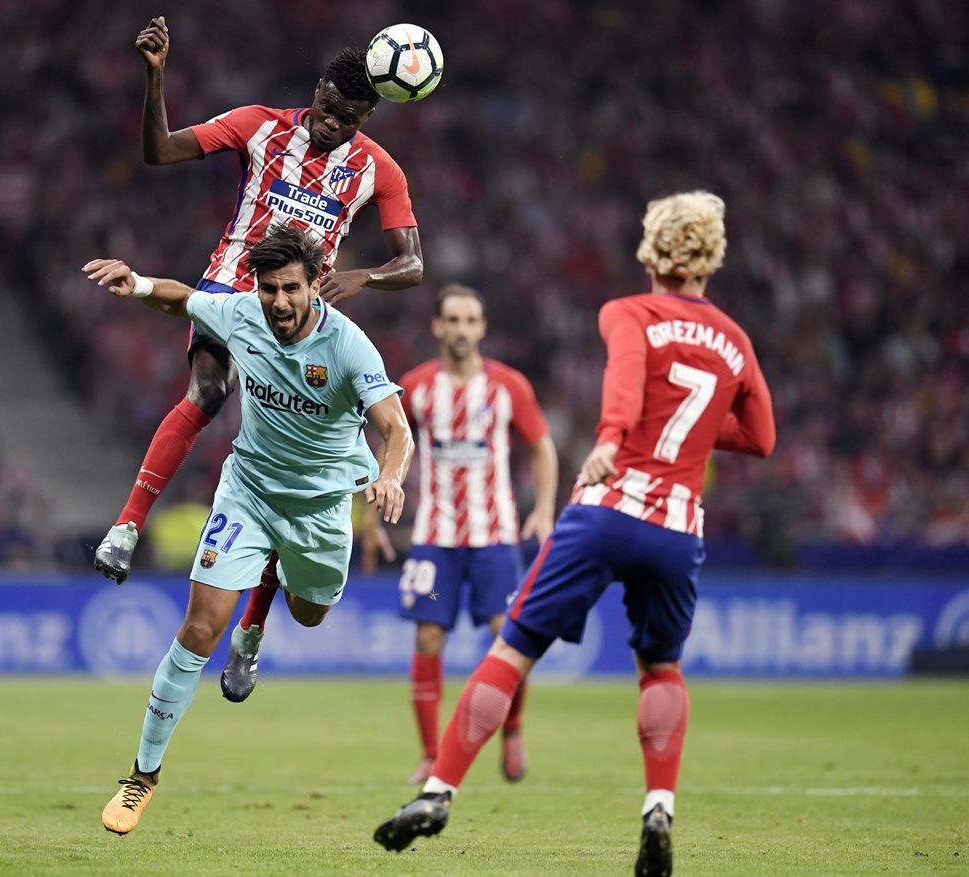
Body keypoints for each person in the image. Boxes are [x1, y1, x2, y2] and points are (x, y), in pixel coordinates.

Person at [372, 191, 776, 877]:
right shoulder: (736, 340)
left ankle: (439, 790)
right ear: (713, 255)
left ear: (651, 250)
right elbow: (762, 438)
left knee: (513, 648)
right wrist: (699, 434)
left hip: (606, 508)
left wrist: (615, 438)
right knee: (660, 666)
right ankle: (658, 806)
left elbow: (622, 384)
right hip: (677, 527)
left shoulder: (628, 312)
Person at [83, 224, 415, 835]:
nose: (280, 303)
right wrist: (137, 285)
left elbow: (397, 428)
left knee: (311, 613)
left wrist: (390, 477)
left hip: (319, 512)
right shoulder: (243, 315)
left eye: (292, 288)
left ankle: (255, 627)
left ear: (316, 285)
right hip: (250, 492)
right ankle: (142, 775)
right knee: (199, 628)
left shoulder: (349, 346)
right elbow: (182, 298)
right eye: (269, 290)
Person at [93, 16, 423, 599]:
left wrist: (364, 276)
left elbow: (413, 264)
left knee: (291, 460)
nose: (328, 123)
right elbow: (160, 151)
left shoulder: (380, 170)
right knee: (209, 391)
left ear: (365, 119)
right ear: (316, 90)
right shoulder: (259, 125)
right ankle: (126, 525)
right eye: (324, 107)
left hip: (305, 310)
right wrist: (156, 79)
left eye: (345, 119)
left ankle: (252, 626)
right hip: (234, 283)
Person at [362, 283, 557, 785]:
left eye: (471, 320)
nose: (462, 329)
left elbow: (542, 447)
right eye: (453, 320)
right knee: (428, 638)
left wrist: (545, 510)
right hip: (435, 541)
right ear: (437, 326)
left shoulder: (508, 386)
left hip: (496, 540)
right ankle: (431, 754)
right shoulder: (417, 386)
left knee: (506, 637)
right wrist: (368, 519)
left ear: (483, 328)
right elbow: (385, 442)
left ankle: (512, 730)